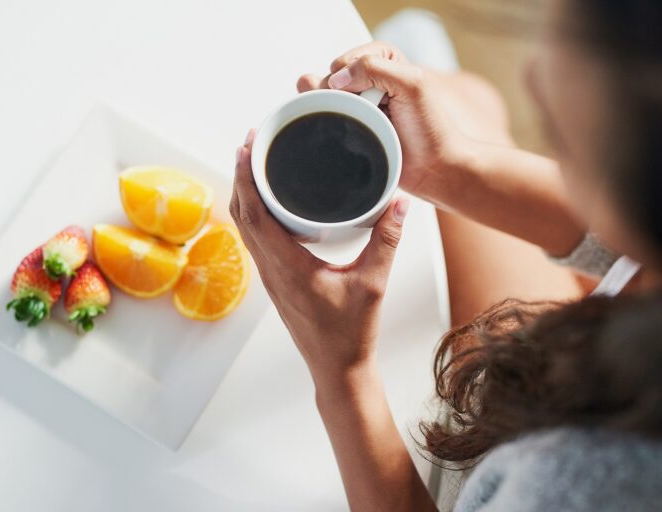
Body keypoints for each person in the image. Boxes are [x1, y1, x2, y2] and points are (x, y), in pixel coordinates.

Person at [229, 0, 662, 510]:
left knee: (444, 71)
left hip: (496, 465)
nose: (530, 79)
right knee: (462, 98)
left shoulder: (581, 485)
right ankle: (449, 73)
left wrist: (343, 372)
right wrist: (447, 167)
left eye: (558, 140)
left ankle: (431, 50)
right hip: (589, 356)